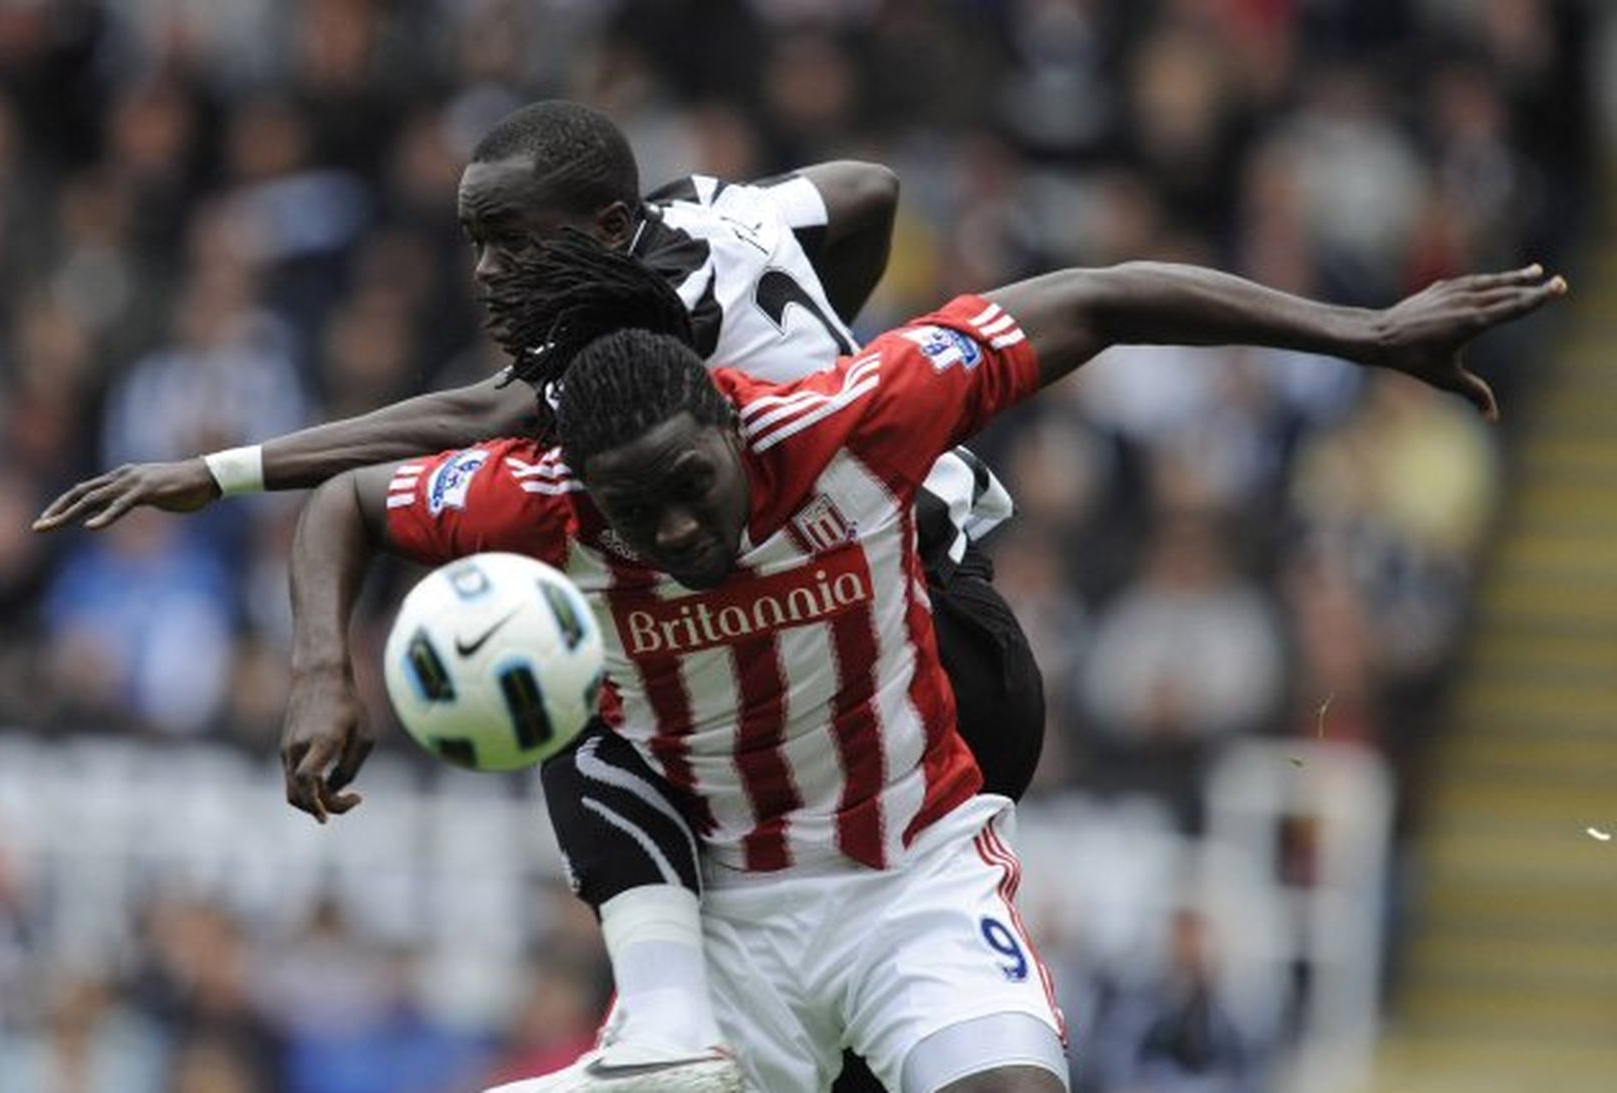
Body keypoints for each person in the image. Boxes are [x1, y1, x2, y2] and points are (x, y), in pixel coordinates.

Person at [280, 233, 1563, 1092]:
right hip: (726, 922)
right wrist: (321, 671)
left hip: (914, 879)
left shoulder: (856, 415)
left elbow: (1098, 298)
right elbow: (342, 503)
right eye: (636, 515)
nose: (674, 530)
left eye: (688, 485)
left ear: (729, 415)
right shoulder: (539, 495)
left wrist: (1359, 329)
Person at [35, 101, 1043, 1093]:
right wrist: (833, 351)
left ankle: (665, 1030)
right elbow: (868, 189)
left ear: (606, 228)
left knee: (565, 672)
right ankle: (692, 1032)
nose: (487, 273)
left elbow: (470, 413)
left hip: (905, 646)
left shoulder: (642, 320)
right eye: (477, 242)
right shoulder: (705, 208)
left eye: (511, 242)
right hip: (950, 617)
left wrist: (219, 470)